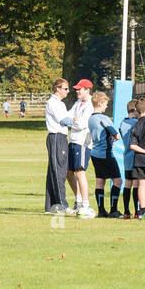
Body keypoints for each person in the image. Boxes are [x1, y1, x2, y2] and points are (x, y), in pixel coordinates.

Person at [86, 91, 121, 217]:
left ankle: (101, 210)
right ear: (100, 104)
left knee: (100, 181)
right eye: (105, 104)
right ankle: (114, 210)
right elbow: (116, 134)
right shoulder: (104, 118)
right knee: (117, 181)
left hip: (95, 153)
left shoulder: (90, 118)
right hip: (106, 154)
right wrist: (114, 137)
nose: (106, 106)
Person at [44, 79, 74, 214]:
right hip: (56, 137)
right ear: (57, 89)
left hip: (60, 137)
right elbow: (63, 120)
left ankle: (51, 205)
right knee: (59, 171)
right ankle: (62, 204)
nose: (68, 91)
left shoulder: (60, 103)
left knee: (54, 170)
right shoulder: (53, 103)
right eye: (65, 88)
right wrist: (76, 121)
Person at [65, 80, 94, 212]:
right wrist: (72, 120)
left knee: (80, 171)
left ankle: (86, 204)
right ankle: (78, 200)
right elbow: (67, 117)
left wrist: (72, 121)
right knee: (68, 172)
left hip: (82, 142)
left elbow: (82, 124)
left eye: (80, 89)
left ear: (87, 90)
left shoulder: (90, 106)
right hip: (73, 140)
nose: (77, 91)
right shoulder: (78, 103)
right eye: (76, 89)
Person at [116, 99, 138, 218]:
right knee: (136, 184)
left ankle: (126, 211)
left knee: (127, 183)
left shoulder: (122, 123)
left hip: (126, 156)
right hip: (135, 156)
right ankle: (137, 211)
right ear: (135, 110)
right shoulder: (136, 123)